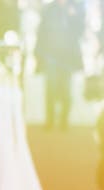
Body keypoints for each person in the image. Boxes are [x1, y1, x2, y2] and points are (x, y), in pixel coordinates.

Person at [35, 0, 85, 130]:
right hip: (51, 56)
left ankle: (64, 122)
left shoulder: (75, 8)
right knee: (50, 89)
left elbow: (81, 31)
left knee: (66, 90)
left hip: (67, 58)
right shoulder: (49, 9)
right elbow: (41, 32)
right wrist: (38, 54)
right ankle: (50, 121)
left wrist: (73, 17)